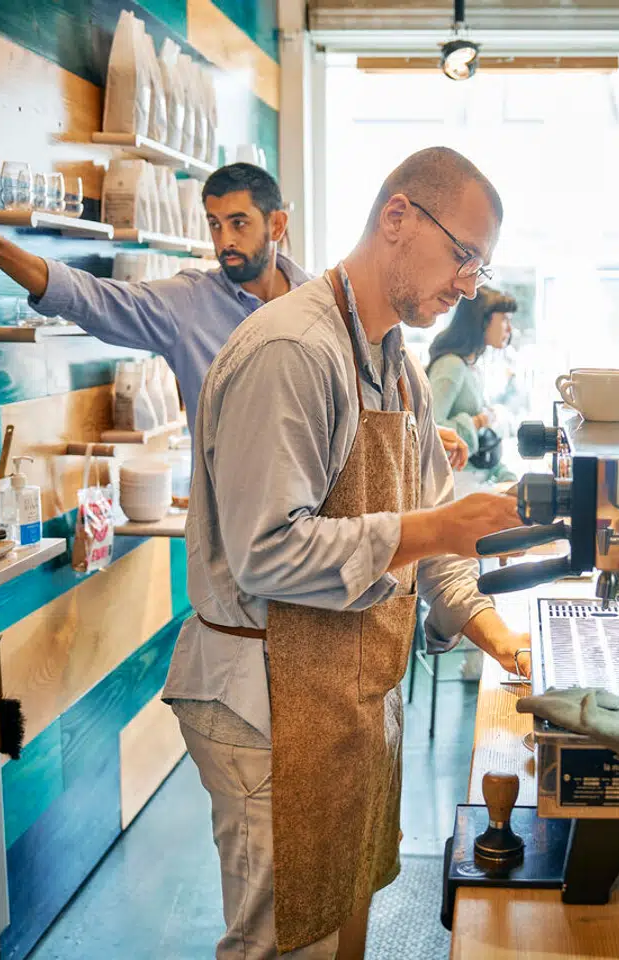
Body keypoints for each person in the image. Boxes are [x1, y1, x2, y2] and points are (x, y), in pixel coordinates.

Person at [164, 146, 530, 960]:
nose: (469, 284)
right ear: (397, 217)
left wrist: (498, 635)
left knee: (343, 916)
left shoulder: (398, 364)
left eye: (480, 266)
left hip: (343, 691)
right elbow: (267, 552)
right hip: (266, 699)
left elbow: (431, 526)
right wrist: (436, 528)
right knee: (289, 939)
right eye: (463, 256)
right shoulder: (294, 352)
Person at [0, 164, 307, 439]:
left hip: (315, 528)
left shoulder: (320, 307)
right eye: (214, 223)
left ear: (276, 225)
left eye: (238, 223)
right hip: (230, 534)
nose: (224, 239)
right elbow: (92, 298)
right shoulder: (191, 303)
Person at [426, 285, 518, 483]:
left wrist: (509, 479)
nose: (510, 329)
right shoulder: (451, 365)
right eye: (505, 320)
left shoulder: (471, 368)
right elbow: (429, 430)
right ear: (483, 320)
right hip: (453, 483)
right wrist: (479, 421)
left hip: (471, 477)